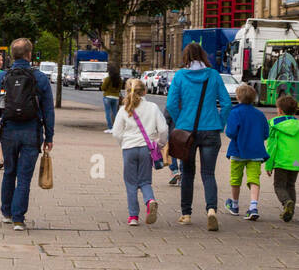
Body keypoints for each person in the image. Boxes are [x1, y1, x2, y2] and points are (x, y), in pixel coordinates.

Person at [0, 37, 55, 231]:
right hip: (31, 132)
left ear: (12, 55)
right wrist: (49, 136)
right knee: (24, 177)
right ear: (29, 54)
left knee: (9, 172)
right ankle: (18, 218)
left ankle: (6, 212)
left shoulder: (2, 77)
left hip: (8, 130)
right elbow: (48, 109)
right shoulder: (39, 78)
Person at [165, 41, 233, 230]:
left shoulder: (180, 76)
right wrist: (219, 123)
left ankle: (186, 214)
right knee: (208, 173)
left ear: (185, 57)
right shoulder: (213, 75)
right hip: (211, 129)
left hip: (187, 132)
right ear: (203, 56)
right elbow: (227, 104)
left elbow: (171, 105)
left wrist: (181, 122)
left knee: (187, 173)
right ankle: (211, 210)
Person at [111, 78, 168, 226]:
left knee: (130, 183)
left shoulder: (124, 109)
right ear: (145, 91)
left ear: (127, 91)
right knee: (145, 181)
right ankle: (150, 200)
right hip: (146, 149)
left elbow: (116, 132)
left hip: (129, 149)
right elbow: (163, 129)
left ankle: (133, 217)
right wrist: (160, 144)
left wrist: (123, 143)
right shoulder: (153, 107)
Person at [224, 84, 268, 220]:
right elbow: (266, 133)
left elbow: (230, 132)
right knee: (254, 178)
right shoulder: (260, 114)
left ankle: (235, 205)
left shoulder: (235, 112)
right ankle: (253, 206)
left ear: (238, 97)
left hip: (238, 151)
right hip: (255, 152)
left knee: (236, 178)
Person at [265, 93, 299, 222]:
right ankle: (290, 211)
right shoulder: (298, 125)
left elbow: (272, 147)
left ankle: (287, 203)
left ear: (279, 110)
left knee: (279, 185)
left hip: (281, 161)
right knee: (291, 185)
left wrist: (269, 165)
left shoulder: (274, 124)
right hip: (296, 162)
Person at [101, 63, 124, 133]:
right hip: (116, 97)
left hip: (107, 96)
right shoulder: (119, 79)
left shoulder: (108, 79)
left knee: (108, 113)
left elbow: (103, 88)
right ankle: (116, 128)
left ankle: (110, 128)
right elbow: (120, 88)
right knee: (115, 113)